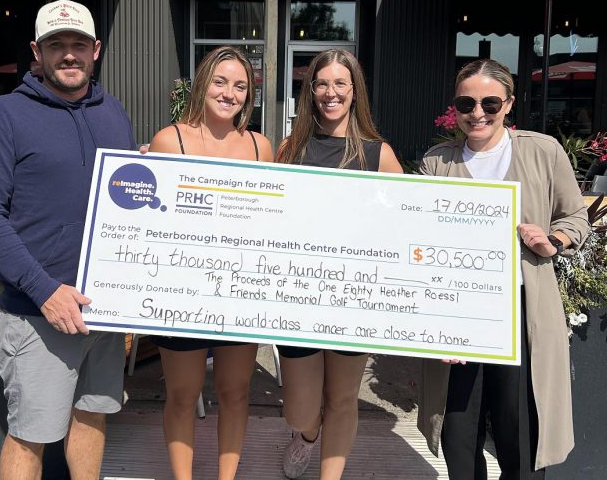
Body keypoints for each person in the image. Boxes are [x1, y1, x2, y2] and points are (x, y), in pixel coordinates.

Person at [0, 0, 137, 480]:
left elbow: (124, 193)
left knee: (91, 414)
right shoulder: (4, 115)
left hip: (101, 310)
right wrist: (44, 291)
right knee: (30, 434)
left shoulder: (112, 112)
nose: (68, 55)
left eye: (78, 45)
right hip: (38, 311)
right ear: (36, 52)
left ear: (96, 50)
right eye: (55, 45)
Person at [417, 59, 590, 479]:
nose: (478, 113)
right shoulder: (436, 163)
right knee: (459, 432)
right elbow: (416, 236)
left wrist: (553, 241)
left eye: (490, 103)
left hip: (522, 310)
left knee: (520, 432)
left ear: (508, 104)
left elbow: (575, 218)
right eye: (466, 103)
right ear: (455, 108)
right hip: (458, 312)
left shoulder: (543, 151)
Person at [274, 48, 403, 479]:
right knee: (300, 408)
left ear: (354, 91)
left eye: (340, 84)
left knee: (343, 399)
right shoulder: (291, 148)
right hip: (298, 296)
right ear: (311, 91)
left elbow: (404, 223)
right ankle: (307, 436)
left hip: (355, 297)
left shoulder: (377, 153)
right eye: (322, 84)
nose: (331, 93)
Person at [146, 45, 273, 480]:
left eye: (240, 85)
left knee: (235, 392)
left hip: (240, 293)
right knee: (183, 395)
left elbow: (272, 224)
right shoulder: (169, 140)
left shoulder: (261, 147)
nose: (229, 93)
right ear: (203, 84)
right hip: (181, 292)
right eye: (220, 82)